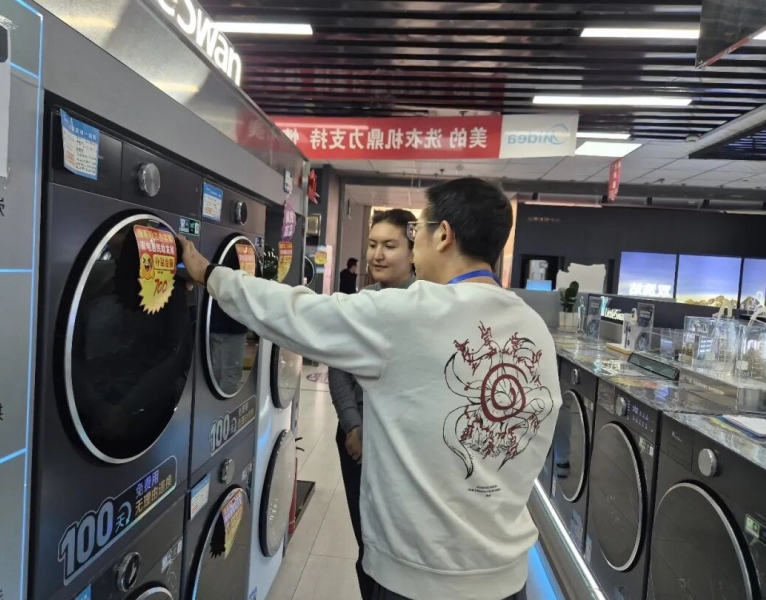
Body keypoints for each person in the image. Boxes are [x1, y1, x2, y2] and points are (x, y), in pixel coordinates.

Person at [178, 177, 561, 600]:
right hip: (507, 576)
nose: (412, 245)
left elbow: (294, 312)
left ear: (444, 235)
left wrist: (210, 274)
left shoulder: (410, 312)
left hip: (418, 575)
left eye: (416, 232)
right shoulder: (534, 329)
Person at [329, 208, 417, 600]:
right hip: (355, 441)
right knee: (366, 541)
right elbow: (338, 367)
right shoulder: (360, 304)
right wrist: (352, 425)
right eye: (372, 244)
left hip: (402, 446)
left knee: (397, 545)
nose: (377, 254)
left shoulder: (427, 308)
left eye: (390, 245)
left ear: (413, 252)